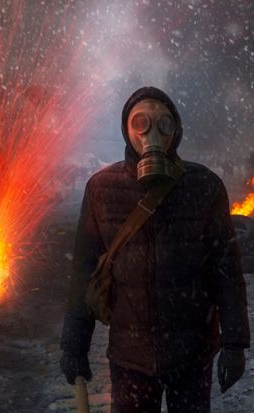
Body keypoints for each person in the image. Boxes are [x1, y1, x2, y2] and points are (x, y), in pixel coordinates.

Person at [59, 86, 250, 413]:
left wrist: (234, 344)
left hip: (191, 354)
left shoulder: (204, 186)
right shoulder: (101, 189)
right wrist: (74, 346)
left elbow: (226, 272)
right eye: (141, 123)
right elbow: (84, 271)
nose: (152, 134)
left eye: (163, 124)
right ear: (127, 129)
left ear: (176, 130)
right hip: (130, 357)